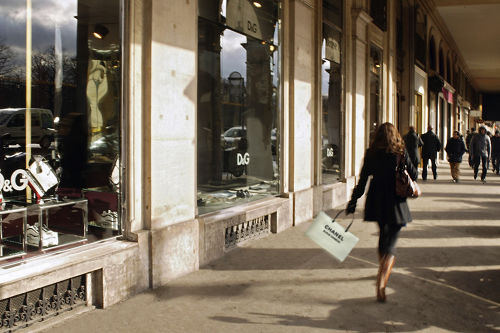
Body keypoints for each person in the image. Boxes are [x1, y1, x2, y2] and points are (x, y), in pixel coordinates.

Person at [345, 122, 417, 302]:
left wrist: (353, 202)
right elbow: (414, 175)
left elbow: (362, 182)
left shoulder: (371, 153)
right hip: (395, 201)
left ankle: (381, 270)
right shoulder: (400, 152)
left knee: (383, 238)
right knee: (391, 242)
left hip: (376, 201)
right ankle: (382, 280)